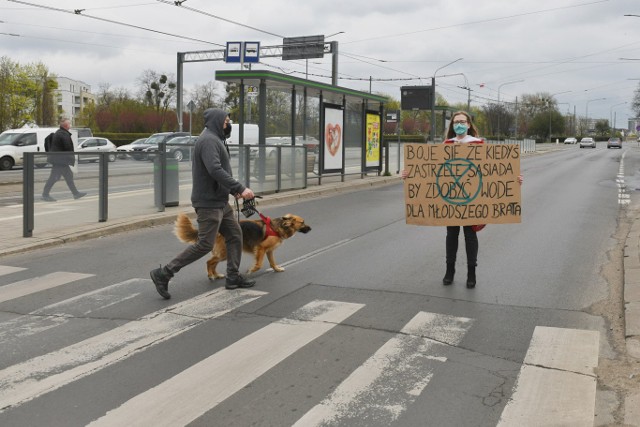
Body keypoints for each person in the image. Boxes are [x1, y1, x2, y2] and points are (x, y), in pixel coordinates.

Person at [401, 111, 523, 289]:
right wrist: (408, 174)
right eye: (456, 122)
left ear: (468, 124)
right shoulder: (445, 146)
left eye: (462, 121)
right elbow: (430, 172)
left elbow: (493, 172)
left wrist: (515, 179)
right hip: (451, 200)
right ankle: (449, 271)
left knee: (469, 235)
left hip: (471, 201)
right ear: (452, 126)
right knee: (451, 235)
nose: (459, 124)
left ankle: (471, 273)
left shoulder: (479, 144)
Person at [150, 108, 256, 299]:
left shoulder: (215, 139)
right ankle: (164, 273)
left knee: (235, 234)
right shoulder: (208, 140)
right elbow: (214, 169)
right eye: (226, 122)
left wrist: (232, 190)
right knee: (205, 244)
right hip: (209, 203)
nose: (228, 124)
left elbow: (217, 172)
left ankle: (232, 276)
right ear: (217, 122)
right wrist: (240, 188)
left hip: (219, 201)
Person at [41, 118, 86, 202]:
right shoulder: (64, 134)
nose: (70, 125)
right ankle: (45, 195)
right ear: (66, 126)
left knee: (68, 176)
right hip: (60, 161)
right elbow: (68, 148)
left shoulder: (59, 132)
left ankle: (75, 193)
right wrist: (72, 158)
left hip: (59, 160)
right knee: (53, 178)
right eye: (69, 124)